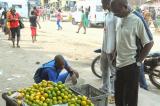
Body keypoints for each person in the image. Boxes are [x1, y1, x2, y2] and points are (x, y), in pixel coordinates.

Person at [111, 0, 154, 106]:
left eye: (116, 11)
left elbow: (149, 43)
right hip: (119, 66)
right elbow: (120, 40)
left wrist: (138, 62)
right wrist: (115, 55)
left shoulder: (136, 20)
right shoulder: (119, 19)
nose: (115, 14)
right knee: (118, 98)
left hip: (131, 67)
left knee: (130, 100)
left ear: (124, 7)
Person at [100, 0, 117, 104]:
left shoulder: (116, 16)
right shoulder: (107, 15)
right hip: (104, 48)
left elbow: (118, 34)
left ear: (107, 4)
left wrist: (115, 50)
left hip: (111, 49)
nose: (101, 5)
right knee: (104, 70)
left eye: (102, 3)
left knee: (114, 73)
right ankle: (105, 89)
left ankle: (115, 94)